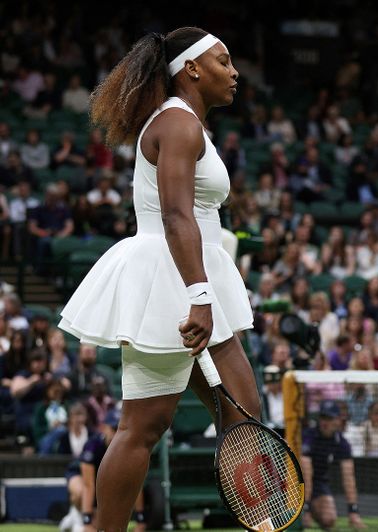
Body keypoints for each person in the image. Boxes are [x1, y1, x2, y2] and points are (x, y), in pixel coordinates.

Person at [56, 28, 259, 530]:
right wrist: (200, 297)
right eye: (223, 61)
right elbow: (175, 215)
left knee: (239, 417)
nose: (234, 73)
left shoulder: (188, 124)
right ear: (191, 68)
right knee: (146, 427)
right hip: (175, 280)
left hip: (189, 273)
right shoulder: (177, 123)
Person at [59, 409, 147, 532]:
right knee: (80, 493)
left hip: (103, 482)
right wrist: (87, 522)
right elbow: (88, 484)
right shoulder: (93, 445)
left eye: (120, 429)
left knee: (103, 525)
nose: (117, 434)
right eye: (113, 428)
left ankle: (75, 517)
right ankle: (77, 516)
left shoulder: (128, 450)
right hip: (80, 475)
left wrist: (140, 521)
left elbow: (135, 485)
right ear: (104, 428)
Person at [302, 400, 366, 530]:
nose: (325, 422)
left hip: (319, 483)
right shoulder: (308, 436)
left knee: (329, 519)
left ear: (337, 420)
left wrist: (353, 510)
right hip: (296, 481)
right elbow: (306, 473)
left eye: (329, 418)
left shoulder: (342, 443)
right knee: (301, 523)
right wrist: (305, 508)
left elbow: (349, 477)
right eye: (323, 417)